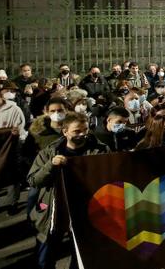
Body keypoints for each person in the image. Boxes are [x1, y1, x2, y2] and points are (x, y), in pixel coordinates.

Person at [28, 112, 110, 269]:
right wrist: (50, 166)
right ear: (65, 131)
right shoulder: (49, 152)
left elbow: (109, 178)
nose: (82, 134)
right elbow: (33, 180)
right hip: (53, 210)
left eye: (85, 130)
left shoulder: (100, 150)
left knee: (81, 257)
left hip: (85, 212)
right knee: (45, 257)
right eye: (77, 131)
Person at [0, 85, 27, 215]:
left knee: (12, 176)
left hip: (10, 147)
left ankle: (12, 202)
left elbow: (20, 127)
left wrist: (13, 133)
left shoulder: (14, 109)